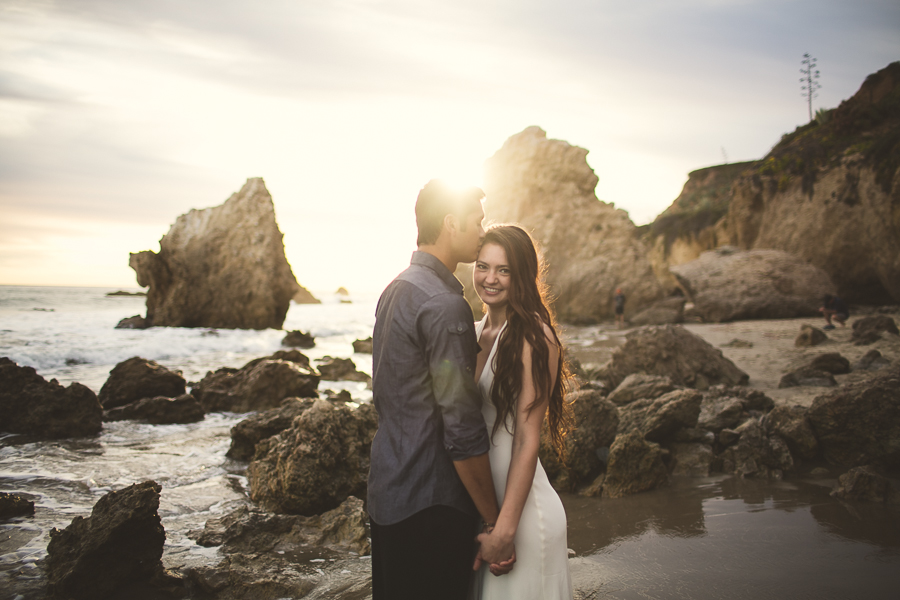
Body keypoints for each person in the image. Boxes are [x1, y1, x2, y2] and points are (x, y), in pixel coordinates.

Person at [367, 180, 515, 600]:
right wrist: (491, 520)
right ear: (450, 222)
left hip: (388, 492)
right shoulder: (443, 304)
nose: (483, 231)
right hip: (432, 506)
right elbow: (461, 425)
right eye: (476, 221)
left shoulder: (395, 289)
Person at [471, 224, 574, 599]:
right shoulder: (473, 330)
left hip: (525, 516)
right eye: (483, 266)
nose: (490, 279)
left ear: (523, 276)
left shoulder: (534, 335)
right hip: (487, 509)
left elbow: (527, 438)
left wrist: (505, 531)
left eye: (504, 270)